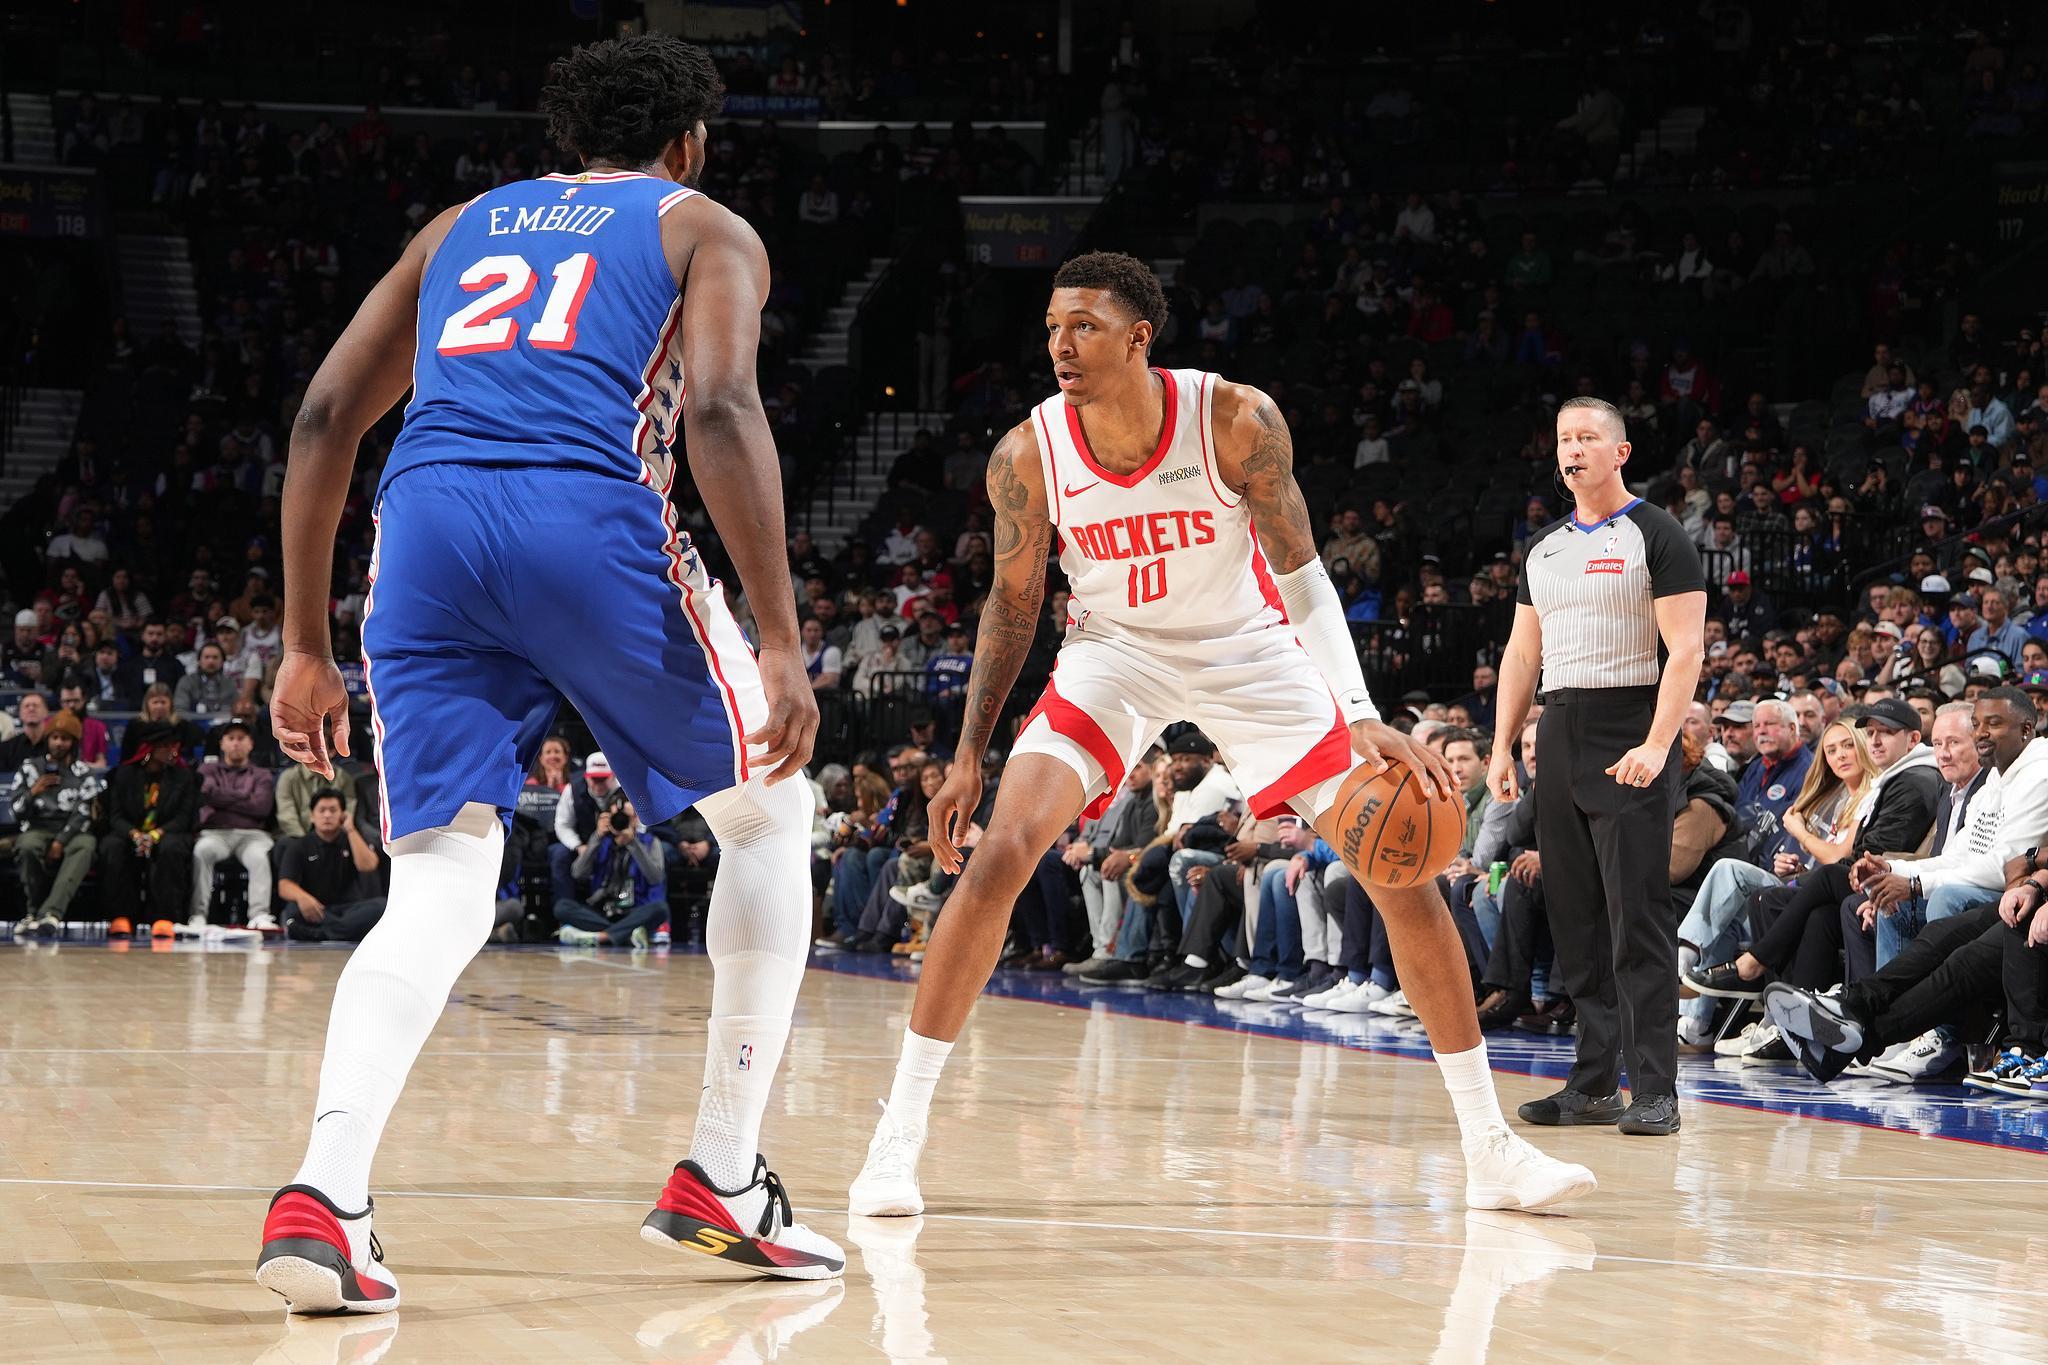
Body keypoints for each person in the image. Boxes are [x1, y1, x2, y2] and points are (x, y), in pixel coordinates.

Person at [255, 34, 842, 1315]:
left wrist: (303, 644)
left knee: (440, 882)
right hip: (587, 521)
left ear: (568, 135)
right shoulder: (702, 226)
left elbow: (324, 417)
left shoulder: (457, 227)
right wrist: (783, 638)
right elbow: (719, 409)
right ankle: (723, 1176)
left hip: (425, 532)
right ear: (687, 141)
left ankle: (324, 1196)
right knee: (769, 814)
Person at [848, 252, 1594, 1221]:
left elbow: (1302, 572)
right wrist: (964, 756)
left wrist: (1358, 710)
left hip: (1247, 651)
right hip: (1113, 654)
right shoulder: (1027, 454)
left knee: (1399, 867)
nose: (1059, 345)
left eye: (1081, 326)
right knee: (1001, 855)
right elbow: (1012, 604)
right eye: (1051, 328)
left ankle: (1489, 1150)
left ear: (1137, 337)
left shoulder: (1233, 419)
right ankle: (896, 1141)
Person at [1488, 396, 1708, 1136]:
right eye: (1564, 439)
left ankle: (1656, 1089)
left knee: (1636, 916)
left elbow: (1686, 649)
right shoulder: (1543, 548)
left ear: (1621, 452)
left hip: (1629, 726)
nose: (1573, 449)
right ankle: (1591, 1086)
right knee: (1574, 918)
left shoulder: (1658, 532)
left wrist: (1656, 742)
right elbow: (1522, 652)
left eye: (1587, 437)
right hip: (1559, 728)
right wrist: (1502, 745)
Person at [95, 720, 201, 935]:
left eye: (174, 746)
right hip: (131, 831)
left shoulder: (183, 776)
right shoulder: (124, 774)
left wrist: (155, 834)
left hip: (166, 832)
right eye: (166, 746)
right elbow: (115, 816)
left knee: (171, 848)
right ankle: (121, 915)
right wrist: (135, 834)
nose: (173, 751)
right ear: (150, 749)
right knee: (112, 846)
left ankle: (165, 917)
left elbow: (183, 817)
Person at [9, 710, 104, 935]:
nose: (59, 743)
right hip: (38, 827)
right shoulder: (30, 767)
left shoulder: (84, 772)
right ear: (47, 739)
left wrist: (61, 841)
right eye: (55, 737)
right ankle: (34, 913)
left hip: (73, 831)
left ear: (74, 742)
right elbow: (16, 812)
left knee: (85, 847)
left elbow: (84, 812)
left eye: (65, 738)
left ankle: (51, 914)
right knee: (27, 845)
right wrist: (33, 792)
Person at [190, 719, 279, 931]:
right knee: (201, 851)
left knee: (259, 857)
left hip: (253, 835)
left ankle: (259, 915)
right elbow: (207, 796)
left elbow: (261, 808)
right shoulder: (207, 769)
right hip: (215, 833)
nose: (236, 743)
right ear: (222, 744)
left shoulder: (262, 774)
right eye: (231, 738)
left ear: (250, 744)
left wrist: (222, 799)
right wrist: (244, 797)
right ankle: (198, 915)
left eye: (241, 738)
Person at [554, 794, 669, 947]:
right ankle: (625, 934)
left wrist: (633, 844)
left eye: (626, 818)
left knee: (660, 909)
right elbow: (578, 873)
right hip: (601, 910)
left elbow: (656, 878)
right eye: (616, 817)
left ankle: (602, 936)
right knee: (562, 907)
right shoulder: (601, 841)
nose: (621, 822)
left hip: (635, 911)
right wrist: (597, 837)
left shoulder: (650, 842)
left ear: (636, 819)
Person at [278, 788, 388, 942]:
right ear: (312, 816)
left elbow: (368, 865)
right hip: (316, 909)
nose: (327, 815)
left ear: (343, 815)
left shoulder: (352, 839)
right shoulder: (299, 845)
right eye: (322, 810)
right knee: (292, 911)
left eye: (333, 810)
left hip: (349, 909)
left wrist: (350, 829)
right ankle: (343, 931)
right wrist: (302, 897)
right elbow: (284, 885)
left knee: (381, 906)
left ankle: (321, 934)